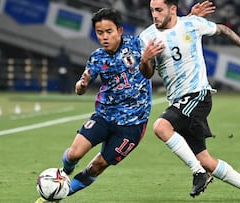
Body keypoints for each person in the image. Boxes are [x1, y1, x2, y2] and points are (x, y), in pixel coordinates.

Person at [35, 3, 214, 203]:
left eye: (109, 31)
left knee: (97, 166)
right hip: (104, 116)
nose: (104, 36)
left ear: (119, 31)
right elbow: (80, 89)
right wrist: (82, 84)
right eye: (99, 32)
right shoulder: (97, 58)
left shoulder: (138, 44)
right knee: (73, 154)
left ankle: (57, 194)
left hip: (132, 126)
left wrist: (188, 17)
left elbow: (166, 29)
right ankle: (63, 173)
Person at [139, 0, 240, 202]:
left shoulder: (192, 24)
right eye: (152, 10)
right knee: (205, 159)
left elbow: (223, 30)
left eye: (159, 10)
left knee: (161, 127)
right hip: (178, 101)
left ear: (173, 9)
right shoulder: (146, 37)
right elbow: (147, 74)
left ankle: (198, 172)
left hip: (198, 95)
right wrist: (144, 60)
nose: (154, 14)